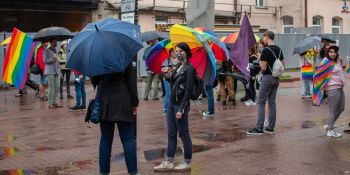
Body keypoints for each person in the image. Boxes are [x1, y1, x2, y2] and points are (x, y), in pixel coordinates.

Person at [91, 62, 139, 175]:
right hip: (122, 99)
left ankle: (104, 172)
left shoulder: (98, 58)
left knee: (105, 139)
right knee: (128, 139)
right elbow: (131, 82)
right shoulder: (124, 56)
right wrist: (134, 102)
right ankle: (133, 172)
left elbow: (94, 80)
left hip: (104, 100)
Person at [154, 42, 194, 172]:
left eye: (180, 51)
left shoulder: (189, 68)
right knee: (171, 134)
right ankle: (169, 161)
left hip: (180, 105)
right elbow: (171, 80)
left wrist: (182, 109)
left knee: (183, 133)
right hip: (171, 103)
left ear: (186, 52)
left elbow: (188, 91)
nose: (177, 53)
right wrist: (166, 73)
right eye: (176, 51)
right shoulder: (177, 66)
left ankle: (187, 162)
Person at [247, 31, 285, 135]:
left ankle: (259, 128)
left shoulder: (266, 50)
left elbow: (263, 67)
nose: (263, 39)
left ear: (267, 37)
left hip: (267, 78)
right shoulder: (279, 49)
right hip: (276, 78)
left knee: (260, 102)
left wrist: (259, 62)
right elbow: (283, 65)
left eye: (263, 37)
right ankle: (270, 128)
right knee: (272, 102)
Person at [314, 46, 345, 138]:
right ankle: (330, 130)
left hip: (340, 87)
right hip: (332, 88)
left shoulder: (336, 61)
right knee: (333, 109)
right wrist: (323, 85)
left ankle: (329, 124)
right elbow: (318, 74)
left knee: (341, 108)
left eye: (335, 52)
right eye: (331, 52)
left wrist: (341, 61)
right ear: (328, 53)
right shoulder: (325, 61)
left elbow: (341, 71)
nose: (333, 53)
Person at [44, 38, 62, 109]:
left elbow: (58, 63)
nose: (56, 43)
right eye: (54, 42)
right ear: (51, 42)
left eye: (56, 41)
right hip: (50, 71)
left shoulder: (56, 51)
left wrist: (60, 72)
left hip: (57, 71)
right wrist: (52, 59)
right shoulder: (46, 50)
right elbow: (44, 61)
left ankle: (56, 102)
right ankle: (50, 103)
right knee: (51, 87)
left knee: (57, 87)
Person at [161, 48, 179, 116]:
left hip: (176, 79)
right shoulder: (167, 60)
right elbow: (162, 69)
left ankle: (173, 108)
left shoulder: (179, 60)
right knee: (168, 94)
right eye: (173, 52)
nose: (175, 53)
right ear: (170, 53)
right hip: (167, 79)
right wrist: (167, 68)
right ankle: (165, 109)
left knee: (176, 94)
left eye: (176, 52)